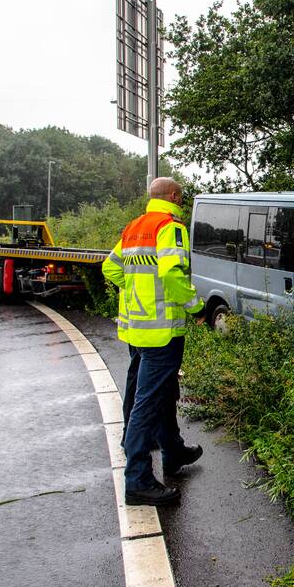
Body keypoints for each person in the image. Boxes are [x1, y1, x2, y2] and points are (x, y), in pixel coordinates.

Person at [102, 177, 205, 506]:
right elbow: (173, 275)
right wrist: (196, 308)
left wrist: (138, 294)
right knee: (148, 401)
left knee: (157, 392)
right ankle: (138, 480)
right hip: (162, 332)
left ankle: (172, 451)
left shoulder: (134, 227)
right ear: (174, 196)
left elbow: (110, 268)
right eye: (182, 197)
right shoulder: (170, 227)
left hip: (138, 329)